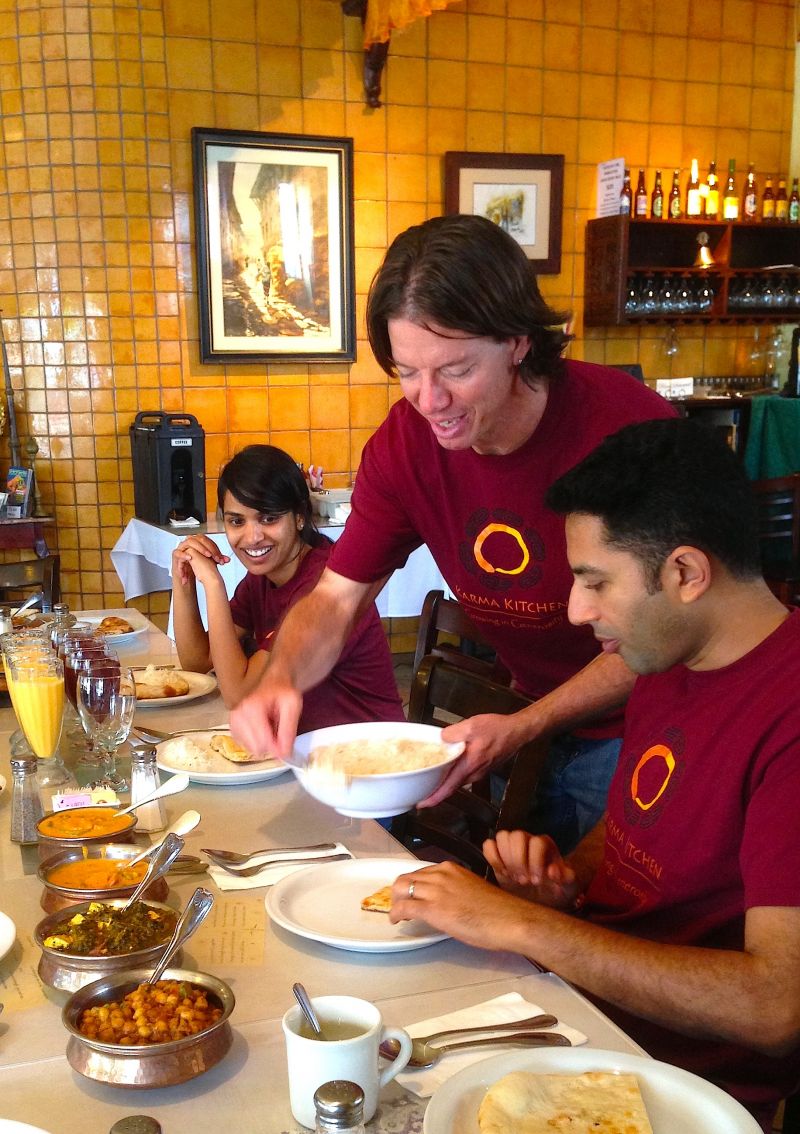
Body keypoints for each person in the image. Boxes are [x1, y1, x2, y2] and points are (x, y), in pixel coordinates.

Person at [388, 418, 800, 1131]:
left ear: (685, 573)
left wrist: (523, 925)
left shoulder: (785, 713)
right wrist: (566, 881)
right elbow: (648, 815)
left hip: (674, 1088)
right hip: (576, 1015)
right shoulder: (668, 656)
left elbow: (775, 1007)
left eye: (596, 582)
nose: (577, 611)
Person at [231, 213, 674, 850]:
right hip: (525, 716)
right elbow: (335, 598)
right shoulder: (405, 446)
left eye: (456, 370)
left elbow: (670, 632)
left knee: (608, 904)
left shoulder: (628, 432)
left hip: (651, 725)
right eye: (408, 371)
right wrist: (282, 676)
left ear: (518, 341)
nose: (429, 400)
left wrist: (528, 724)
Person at [170, 444, 405, 733]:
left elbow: (238, 695)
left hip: (370, 747)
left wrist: (214, 584)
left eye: (269, 518)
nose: (252, 537)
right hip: (305, 744)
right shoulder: (264, 578)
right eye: (236, 521)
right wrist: (183, 578)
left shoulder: (320, 585)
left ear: (300, 516)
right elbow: (197, 662)